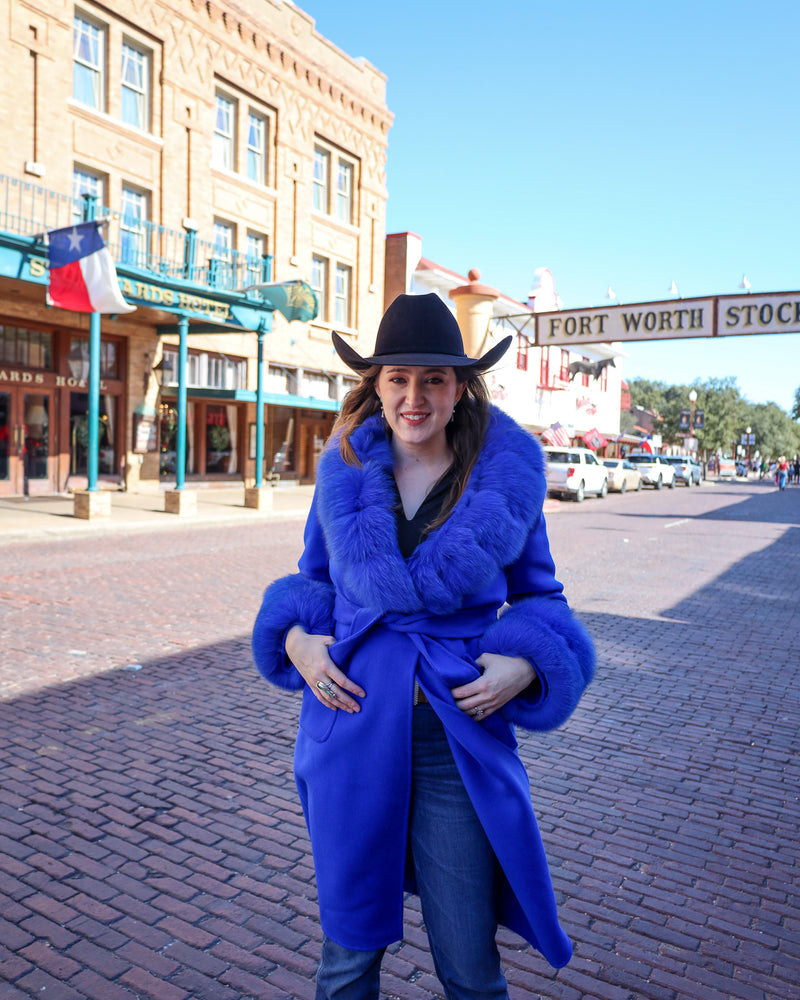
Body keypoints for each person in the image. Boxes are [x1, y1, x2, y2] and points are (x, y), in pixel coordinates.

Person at [252, 293, 595, 1000]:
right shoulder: (342, 473)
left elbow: (542, 599)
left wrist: (527, 660)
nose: (415, 397)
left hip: (455, 738)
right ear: (375, 385)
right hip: (349, 726)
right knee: (347, 959)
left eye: (433, 380)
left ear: (459, 386)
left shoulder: (507, 481)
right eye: (399, 378)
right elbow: (311, 584)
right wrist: (297, 643)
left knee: (469, 967)